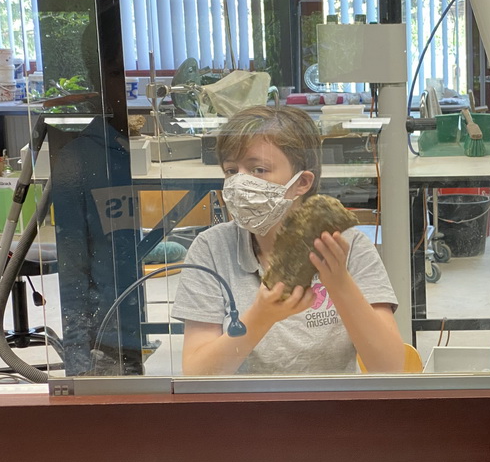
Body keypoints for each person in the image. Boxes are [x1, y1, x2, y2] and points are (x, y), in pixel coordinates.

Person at [171, 105, 404, 375]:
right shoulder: (212, 248)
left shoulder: (348, 247)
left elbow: (390, 367)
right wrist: (261, 317)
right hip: (244, 412)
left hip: (332, 409)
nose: (239, 183)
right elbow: (197, 374)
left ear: (302, 182)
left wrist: (339, 283)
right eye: (231, 171)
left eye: (258, 169)